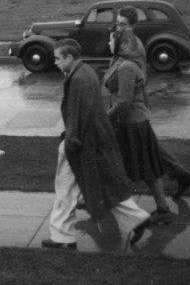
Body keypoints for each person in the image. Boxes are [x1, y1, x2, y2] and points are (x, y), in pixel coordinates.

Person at [41, 39, 150, 250]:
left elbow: (77, 114)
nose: (55, 62)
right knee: (98, 186)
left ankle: (63, 238)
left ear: (69, 58)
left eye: (57, 58)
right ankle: (138, 218)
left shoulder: (79, 79)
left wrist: (70, 141)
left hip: (80, 144)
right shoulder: (85, 72)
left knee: (66, 188)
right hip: (90, 141)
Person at [114, 5, 190, 199]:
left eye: (123, 24)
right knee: (150, 146)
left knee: (144, 147)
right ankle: (181, 175)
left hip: (135, 103)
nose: (119, 27)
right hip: (134, 102)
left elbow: (139, 76)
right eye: (117, 23)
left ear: (132, 25)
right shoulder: (124, 42)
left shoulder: (134, 45)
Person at [103, 23, 176, 225]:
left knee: (144, 170)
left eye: (111, 39)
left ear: (122, 43)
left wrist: (104, 118)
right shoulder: (118, 62)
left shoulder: (126, 67)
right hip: (130, 123)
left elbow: (124, 103)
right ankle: (157, 209)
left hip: (132, 125)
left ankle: (160, 211)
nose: (108, 42)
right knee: (138, 168)